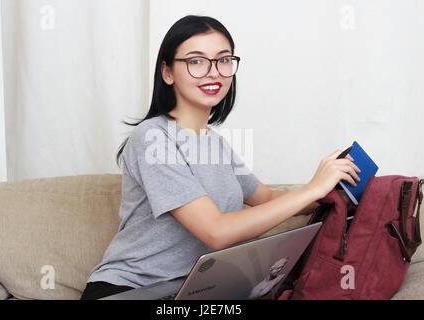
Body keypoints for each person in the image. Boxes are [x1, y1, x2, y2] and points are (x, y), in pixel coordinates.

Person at [80, 15, 361, 300]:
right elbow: (215, 231)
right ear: (167, 73)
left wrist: (330, 189)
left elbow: (266, 198)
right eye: (196, 61)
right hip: (130, 291)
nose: (214, 72)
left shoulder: (217, 144)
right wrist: (313, 188)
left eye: (223, 60)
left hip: (194, 291)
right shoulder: (152, 137)